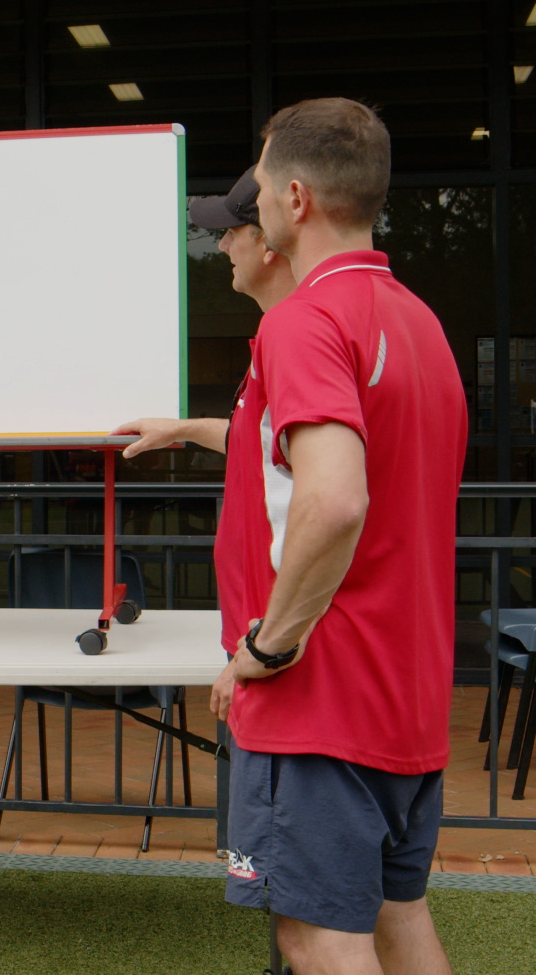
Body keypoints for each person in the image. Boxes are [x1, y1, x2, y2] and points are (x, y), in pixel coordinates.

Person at [211, 99, 466, 975]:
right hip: (408, 690)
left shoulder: (303, 322)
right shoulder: (419, 322)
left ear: (292, 198)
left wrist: (267, 647)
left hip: (324, 700)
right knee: (399, 919)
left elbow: (334, 500)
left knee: (318, 936)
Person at [114, 166, 297, 457]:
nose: (223, 246)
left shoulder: (298, 332)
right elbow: (268, 442)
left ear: (269, 242)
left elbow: (318, 472)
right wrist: (182, 429)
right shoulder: (288, 326)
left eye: (231, 232)